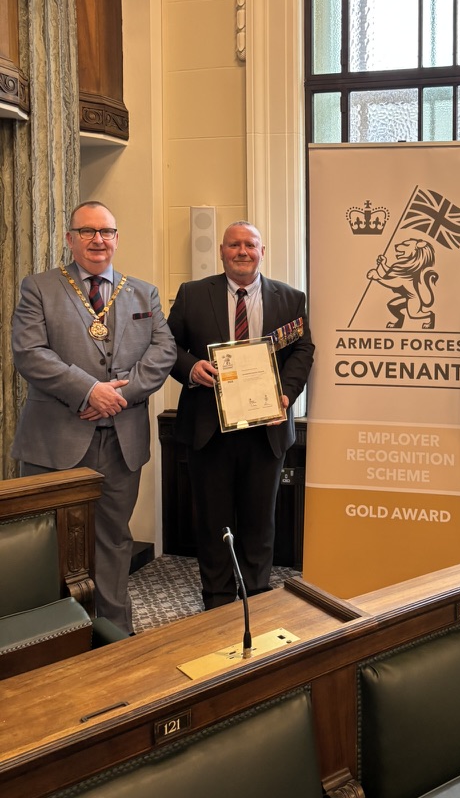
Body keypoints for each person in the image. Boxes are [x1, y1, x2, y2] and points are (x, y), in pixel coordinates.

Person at [11, 201, 176, 633]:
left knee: (114, 541)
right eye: (87, 232)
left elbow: (163, 353)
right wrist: (88, 390)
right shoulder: (39, 288)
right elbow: (29, 354)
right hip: (54, 443)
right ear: (70, 239)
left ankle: (114, 636)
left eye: (106, 232)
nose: (98, 240)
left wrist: (117, 395)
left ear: (117, 239)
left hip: (121, 444)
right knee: (46, 546)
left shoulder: (144, 292)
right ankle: (48, 639)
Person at [168, 220, 314, 609]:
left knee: (259, 521)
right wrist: (190, 369)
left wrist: (285, 394)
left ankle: (257, 598)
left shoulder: (290, 298)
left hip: (266, 428)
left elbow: (303, 351)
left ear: (262, 251)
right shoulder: (193, 294)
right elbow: (168, 346)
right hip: (208, 428)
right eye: (234, 245)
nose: (242, 251)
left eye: (250, 245)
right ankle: (216, 603)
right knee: (213, 522)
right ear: (222, 251)